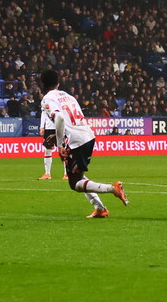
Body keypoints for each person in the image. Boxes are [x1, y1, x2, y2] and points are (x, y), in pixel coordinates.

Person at [40, 69, 127, 218]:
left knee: (75, 184)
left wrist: (60, 145)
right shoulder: (69, 96)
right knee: (78, 176)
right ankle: (100, 209)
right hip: (87, 136)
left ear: (43, 84)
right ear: (58, 83)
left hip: (76, 142)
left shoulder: (47, 99)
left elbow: (59, 118)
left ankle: (113, 189)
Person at [37, 105, 65, 180]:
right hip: (49, 128)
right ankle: (47, 174)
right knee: (47, 150)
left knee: (64, 150)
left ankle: (67, 174)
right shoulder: (45, 100)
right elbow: (43, 113)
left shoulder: (60, 101)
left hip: (60, 127)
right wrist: (42, 127)